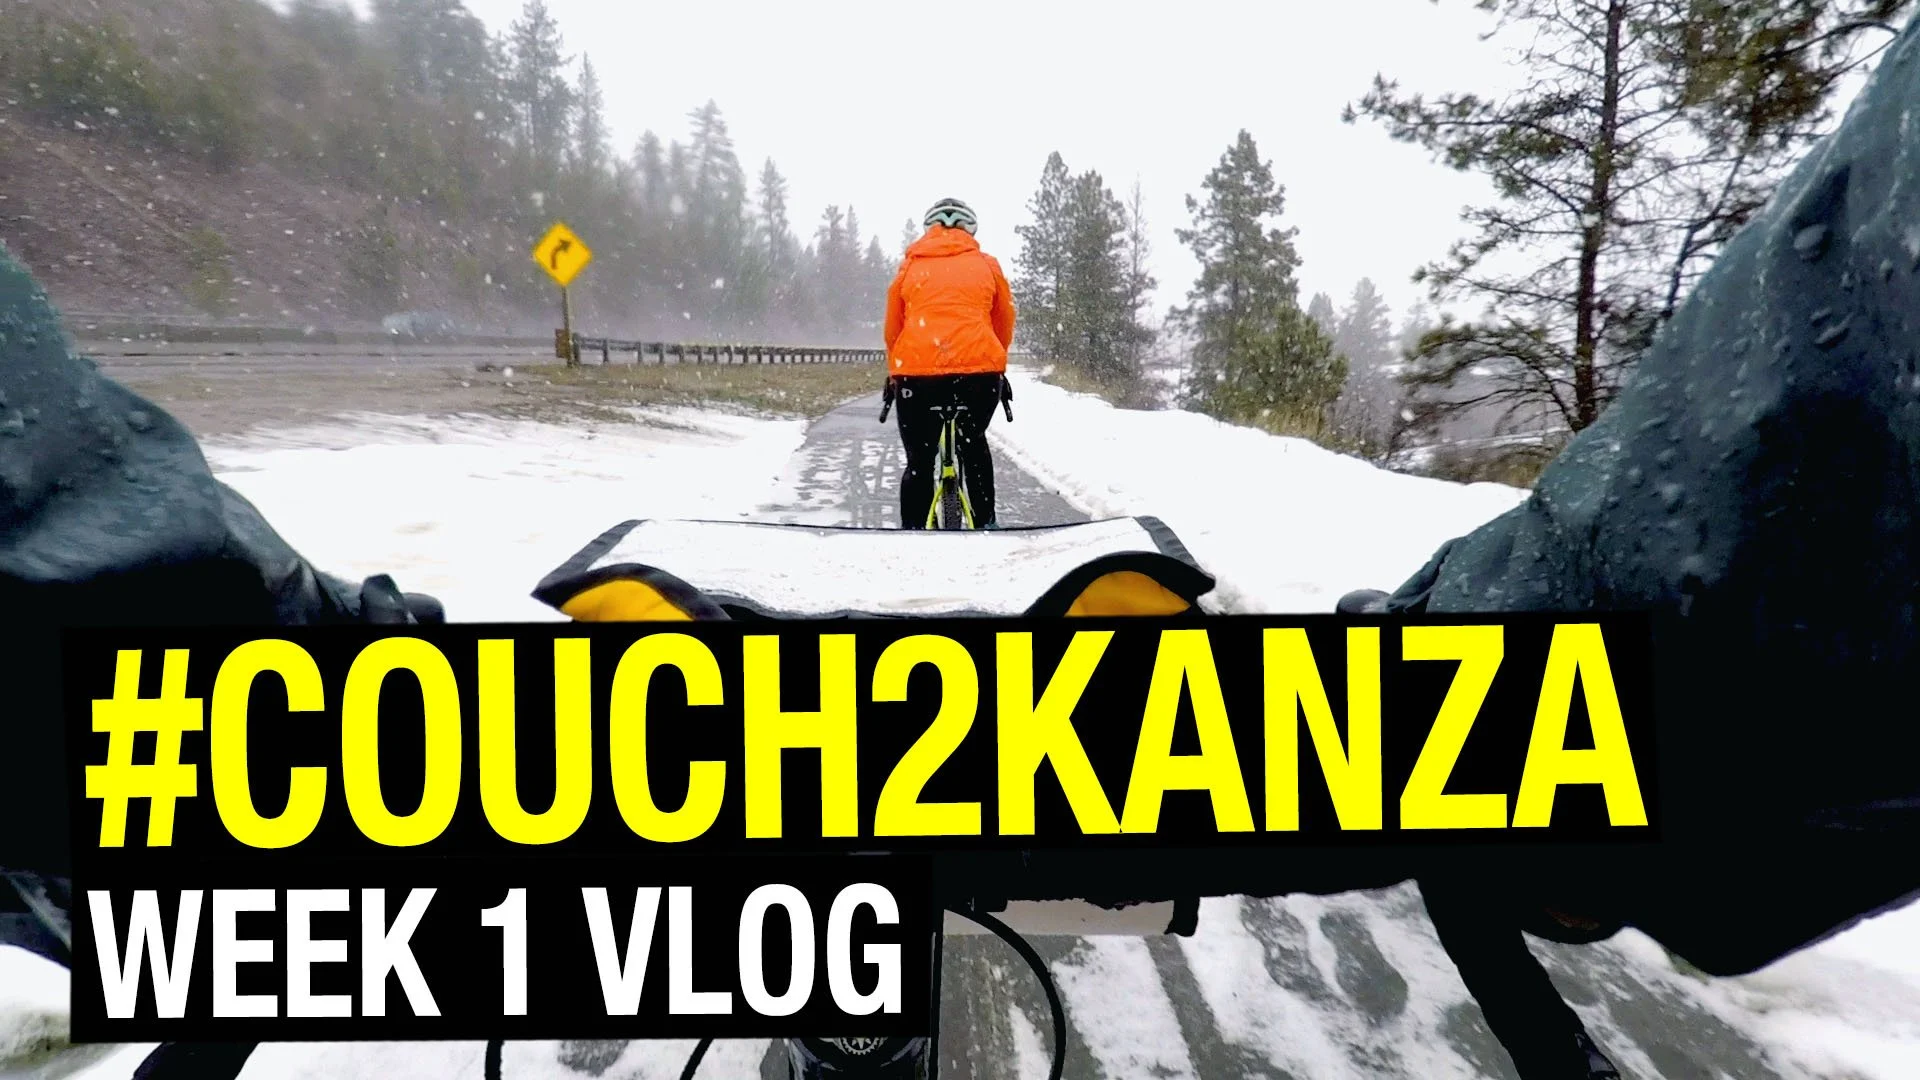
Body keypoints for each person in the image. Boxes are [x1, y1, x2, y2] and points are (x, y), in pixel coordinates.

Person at [883, 197, 1016, 529]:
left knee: (919, 462)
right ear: (970, 229)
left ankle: (913, 535)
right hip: (979, 376)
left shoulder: (910, 267)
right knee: (974, 446)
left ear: (930, 229)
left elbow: (893, 327)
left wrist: (895, 373)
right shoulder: (987, 265)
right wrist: (996, 363)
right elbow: (1003, 322)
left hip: (917, 377)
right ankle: (987, 526)